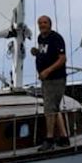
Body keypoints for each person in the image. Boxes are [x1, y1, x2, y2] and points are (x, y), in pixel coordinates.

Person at [30, 15, 69, 149]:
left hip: (56, 79)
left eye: (45, 22)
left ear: (50, 24)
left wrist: (47, 71)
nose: (42, 25)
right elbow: (45, 53)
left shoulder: (56, 38)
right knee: (54, 108)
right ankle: (64, 138)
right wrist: (36, 52)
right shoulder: (41, 38)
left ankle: (49, 139)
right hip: (46, 80)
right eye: (40, 23)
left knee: (49, 109)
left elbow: (62, 58)